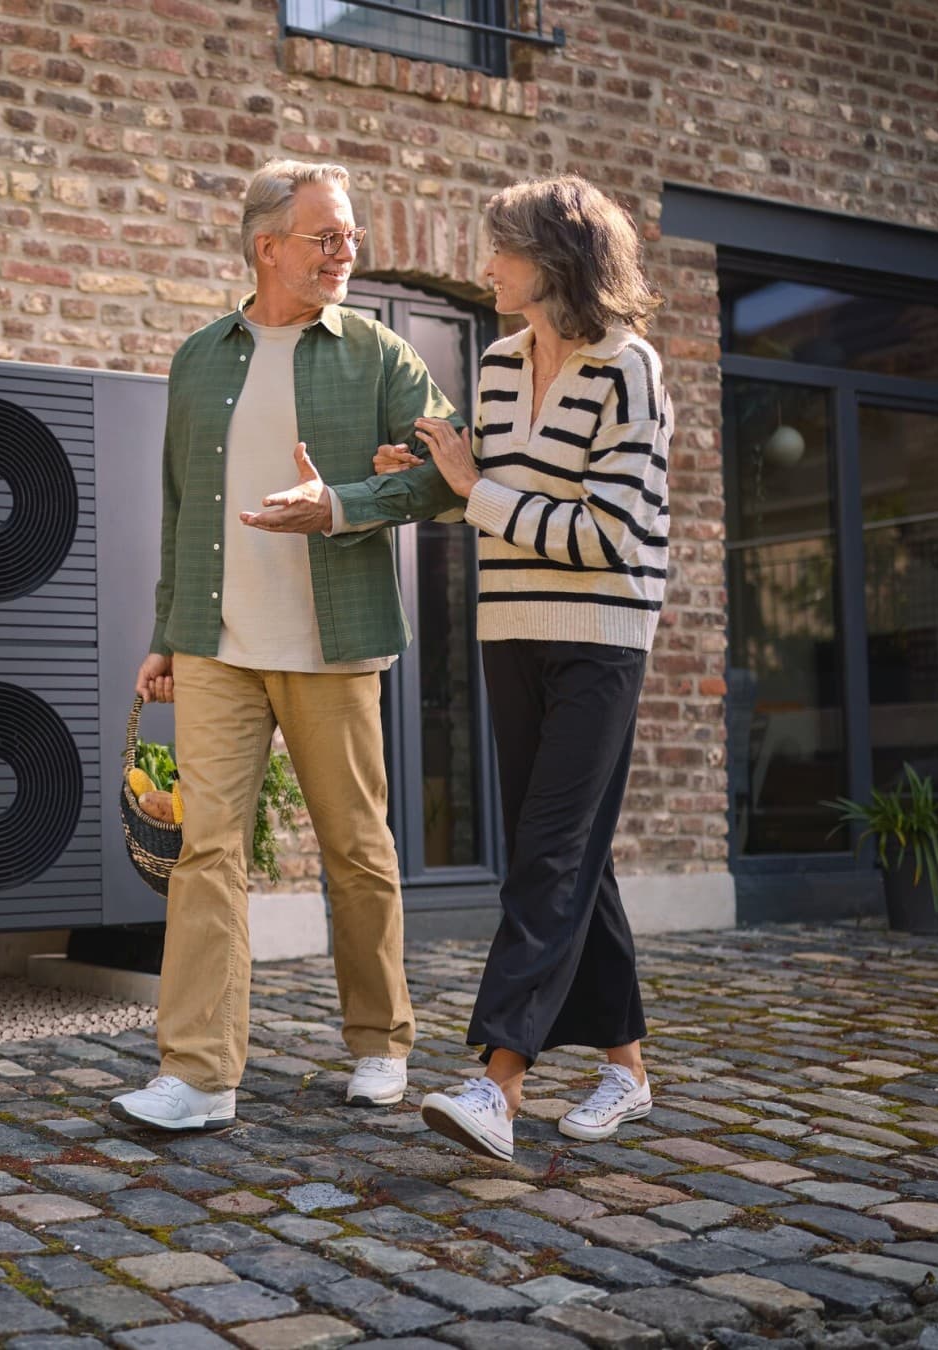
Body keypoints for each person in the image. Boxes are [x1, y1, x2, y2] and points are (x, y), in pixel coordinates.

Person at [108, 158, 464, 1132]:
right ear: (268, 246)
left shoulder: (379, 354)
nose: (345, 251)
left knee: (354, 849)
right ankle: (199, 1073)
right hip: (220, 643)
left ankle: (380, 1040)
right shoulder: (200, 359)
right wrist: (167, 635)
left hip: (334, 641)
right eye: (326, 236)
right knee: (205, 852)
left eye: (350, 234)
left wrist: (345, 504)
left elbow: (450, 467)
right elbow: (186, 508)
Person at [351, 175, 672, 1160]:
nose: (485, 265)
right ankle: (626, 1071)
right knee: (571, 854)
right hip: (511, 630)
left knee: (546, 853)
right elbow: (486, 491)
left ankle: (500, 1082)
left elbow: (606, 536)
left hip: (603, 635)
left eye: (499, 249)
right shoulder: (496, 365)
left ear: (550, 261)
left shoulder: (629, 369)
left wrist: (472, 487)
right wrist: (424, 478)